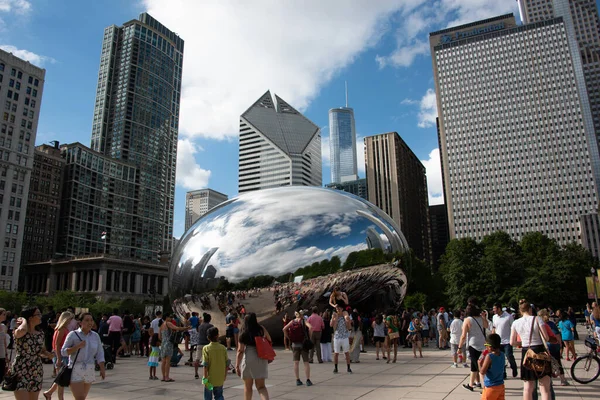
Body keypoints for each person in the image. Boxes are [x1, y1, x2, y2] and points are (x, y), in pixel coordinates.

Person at [510, 299, 552, 400]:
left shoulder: (516, 322)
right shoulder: (537, 319)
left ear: (520, 311)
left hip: (526, 352)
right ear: (530, 309)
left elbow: (512, 342)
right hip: (539, 350)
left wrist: (523, 342)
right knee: (544, 387)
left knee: (528, 387)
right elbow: (546, 337)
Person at [11, 307, 53, 400]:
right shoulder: (19, 330)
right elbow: (22, 331)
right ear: (30, 318)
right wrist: (24, 321)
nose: (40, 316)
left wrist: (48, 354)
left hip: (36, 369)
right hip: (21, 369)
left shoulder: (40, 333)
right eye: (38, 314)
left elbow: (42, 350)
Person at [61, 313, 105, 400]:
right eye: (87, 320)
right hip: (76, 368)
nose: (90, 322)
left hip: (89, 368)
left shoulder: (95, 336)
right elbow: (63, 352)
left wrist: (102, 368)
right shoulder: (73, 335)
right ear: (80, 322)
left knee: (82, 397)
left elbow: (100, 352)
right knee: (80, 398)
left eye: (91, 320)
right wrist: (77, 347)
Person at [236, 313, 271, 400]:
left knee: (248, 387)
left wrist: (237, 365)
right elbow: (269, 339)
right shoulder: (261, 329)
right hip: (261, 357)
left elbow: (240, 350)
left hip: (249, 357)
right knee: (261, 387)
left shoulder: (243, 330)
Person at [43, 311, 75, 400]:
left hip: (61, 355)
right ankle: (59, 397)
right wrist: (59, 358)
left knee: (60, 378)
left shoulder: (61, 329)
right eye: (70, 319)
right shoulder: (61, 329)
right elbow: (57, 344)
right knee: (61, 380)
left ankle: (49, 392)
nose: (71, 321)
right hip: (61, 355)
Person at [459, 304, 488, 391]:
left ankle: (486, 387)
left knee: (478, 366)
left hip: (473, 344)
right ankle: (471, 384)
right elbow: (486, 326)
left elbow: (463, 335)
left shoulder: (467, 320)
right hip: (482, 343)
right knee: (474, 365)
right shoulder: (480, 318)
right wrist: (484, 317)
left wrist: (460, 347)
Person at [538, 309, 569, 386]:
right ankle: (562, 380)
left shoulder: (540, 324)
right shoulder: (551, 324)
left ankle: (550, 381)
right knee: (558, 362)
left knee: (547, 363)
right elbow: (557, 334)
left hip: (545, 345)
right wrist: (560, 343)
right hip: (554, 344)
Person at [283, 311, 313, 386]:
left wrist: (288, 337)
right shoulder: (303, 321)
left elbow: (284, 329)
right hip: (303, 344)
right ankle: (308, 380)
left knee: (296, 362)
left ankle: (297, 379)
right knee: (306, 362)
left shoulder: (292, 322)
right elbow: (311, 327)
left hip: (295, 344)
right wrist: (309, 337)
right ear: (302, 315)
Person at [159, 313, 188, 382]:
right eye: (170, 317)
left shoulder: (161, 326)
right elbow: (177, 328)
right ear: (166, 317)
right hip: (169, 343)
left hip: (163, 343)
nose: (171, 318)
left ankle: (163, 376)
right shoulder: (168, 323)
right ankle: (167, 377)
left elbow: (159, 337)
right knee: (168, 361)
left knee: (163, 361)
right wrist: (186, 328)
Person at [492, 303, 518, 378]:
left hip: (507, 341)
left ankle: (514, 367)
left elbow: (513, 328)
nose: (493, 310)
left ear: (499, 309)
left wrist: (514, 339)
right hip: (498, 341)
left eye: (495, 309)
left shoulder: (508, 317)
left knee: (509, 356)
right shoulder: (494, 317)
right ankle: (503, 373)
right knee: (500, 358)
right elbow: (494, 327)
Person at [203, 327, 228, 400]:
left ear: (208, 337)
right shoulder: (223, 348)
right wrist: (225, 375)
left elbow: (205, 365)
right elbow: (227, 363)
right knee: (219, 395)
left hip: (209, 379)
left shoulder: (206, 348)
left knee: (208, 396)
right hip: (220, 378)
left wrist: (205, 378)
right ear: (218, 335)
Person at [479, 334, 505, 400]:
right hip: (500, 386)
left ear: (490, 347)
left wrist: (479, 363)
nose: (486, 348)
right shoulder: (502, 354)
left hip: (491, 387)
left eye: (486, 345)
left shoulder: (489, 356)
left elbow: (482, 371)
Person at [331, 301, 352, 374]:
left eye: (339, 308)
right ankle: (336, 367)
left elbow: (347, 318)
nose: (338, 309)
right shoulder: (335, 315)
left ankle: (348, 367)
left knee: (346, 352)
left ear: (342, 308)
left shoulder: (344, 313)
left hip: (344, 336)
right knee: (336, 353)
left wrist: (346, 318)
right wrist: (334, 318)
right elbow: (331, 325)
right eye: (337, 308)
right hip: (337, 336)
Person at [195, 313, 214, 379]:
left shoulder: (200, 326)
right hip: (207, 344)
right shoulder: (211, 326)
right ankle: (207, 373)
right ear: (209, 319)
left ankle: (196, 373)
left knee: (197, 359)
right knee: (207, 360)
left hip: (199, 343)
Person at [0, 308, 8, 384]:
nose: (5, 316)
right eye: (3, 314)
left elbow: (5, 341)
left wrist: (6, 353)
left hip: (2, 352)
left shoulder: (3, 326)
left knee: (2, 372)